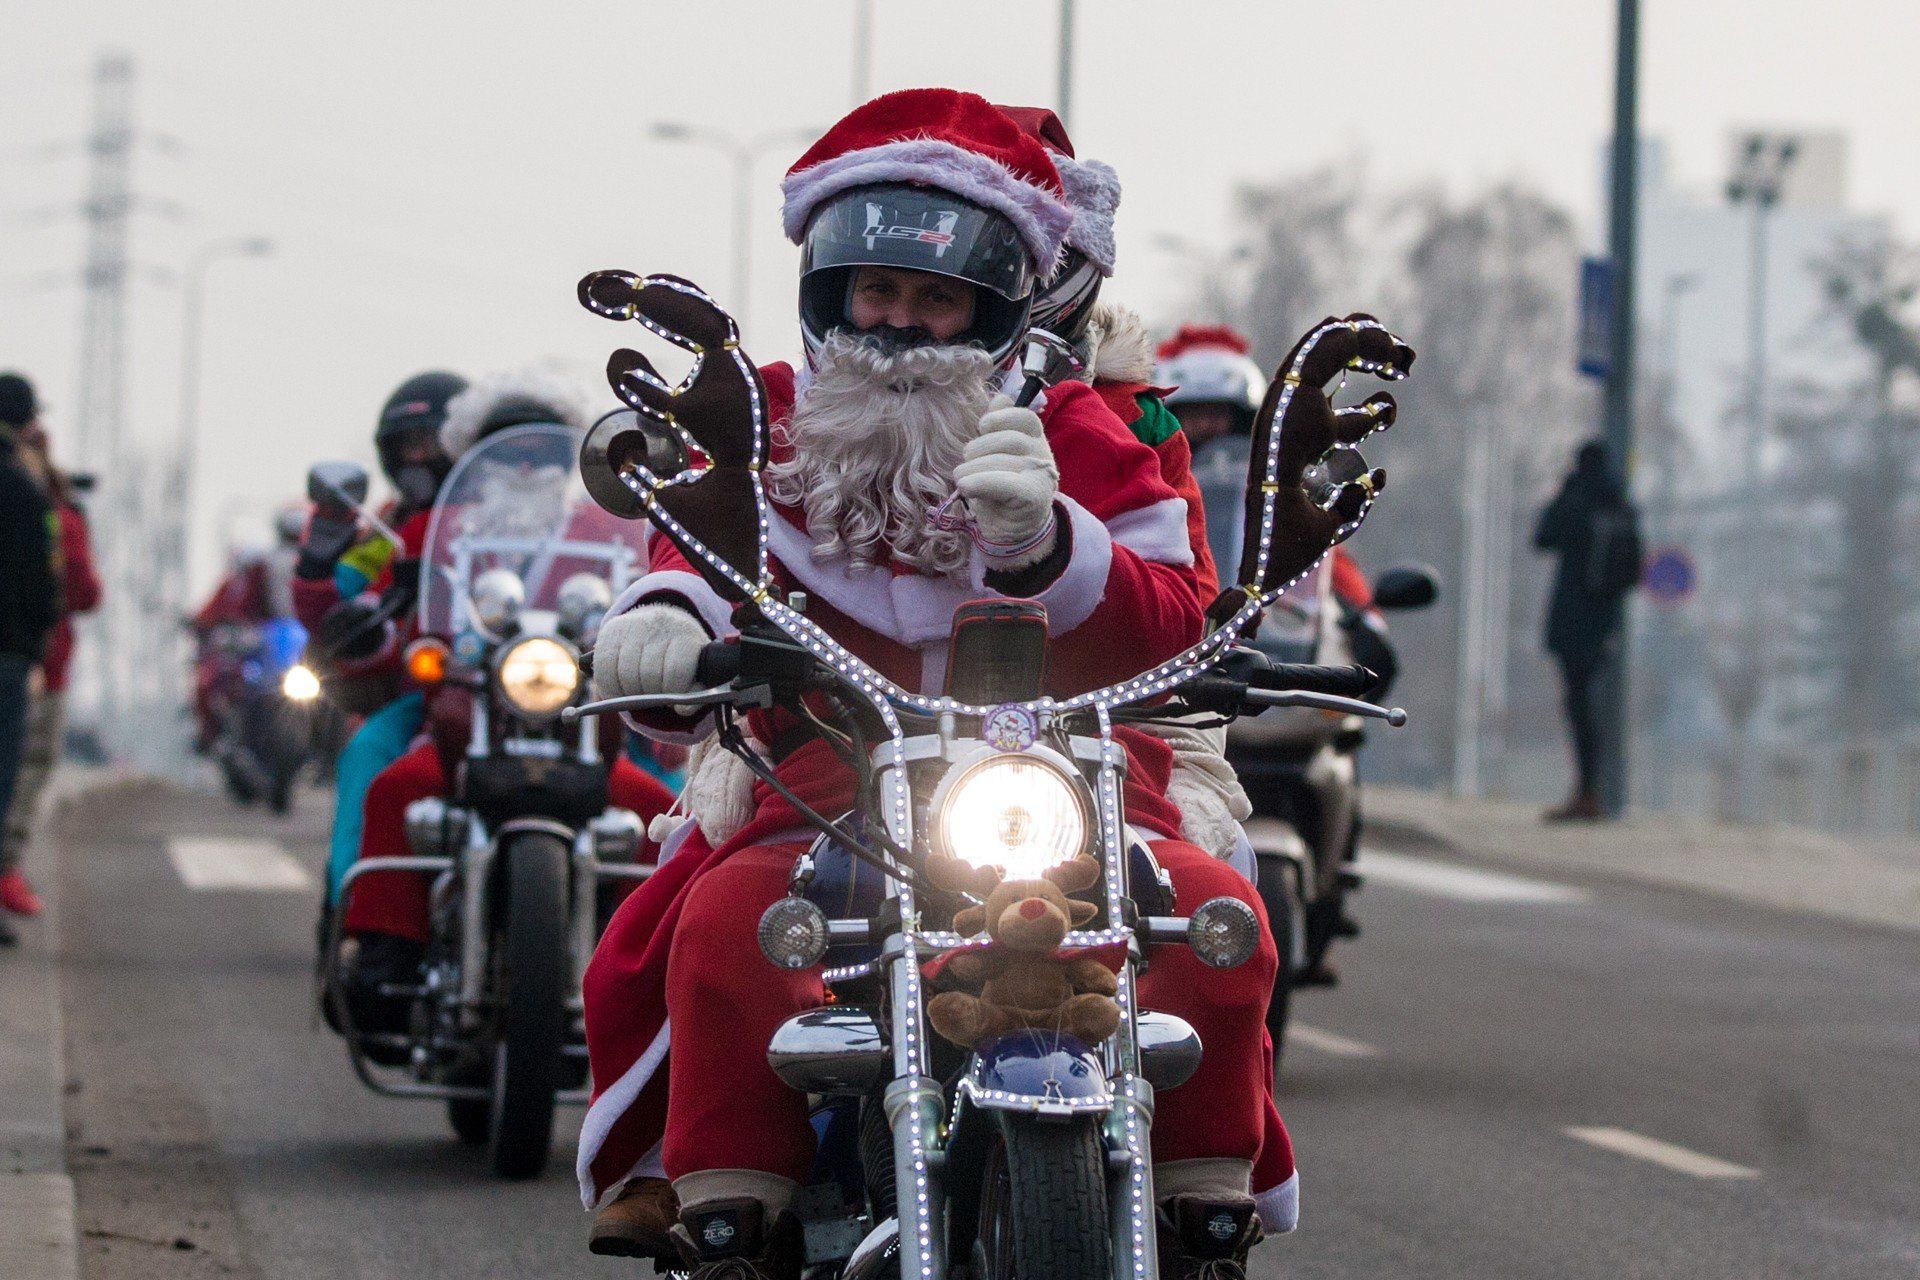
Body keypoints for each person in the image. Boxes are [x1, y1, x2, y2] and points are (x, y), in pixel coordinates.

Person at [579, 90, 1279, 1280]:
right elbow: (692, 554)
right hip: (827, 765)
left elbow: (1176, 611)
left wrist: (1053, 548)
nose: (901, 327)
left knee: (1218, 916)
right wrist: (662, 622)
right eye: (879, 295)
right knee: (722, 923)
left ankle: (1204, 1206)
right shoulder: (764, 422)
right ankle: (730, 1211)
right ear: (832, 296)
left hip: (1075, 765)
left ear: (995, 310)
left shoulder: (1074, 424)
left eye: (937, 298)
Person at [330, 372, 676, 1037]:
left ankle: (647, 975)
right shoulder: (436, 526)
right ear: (471, 455)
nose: (523, 465)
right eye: (503, 448)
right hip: (467, 712)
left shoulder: (607, 529)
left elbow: (657, 585)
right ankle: (383, 953)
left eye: (541, 454)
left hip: (578, 714)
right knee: (394, 787)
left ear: (567, 463)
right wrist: (361, 619)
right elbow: (376, 597)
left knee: (652, 808)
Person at [295, 372, 466, 921]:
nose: (417, 456)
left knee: (652, 772)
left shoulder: (542, 521)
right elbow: (348, 597)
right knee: (367, 753)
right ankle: (355, 917)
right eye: (405, 445)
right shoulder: (396, 529)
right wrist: (325, 553)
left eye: (429, 441)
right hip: (434, 694)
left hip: (535, 695)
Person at [2, 411, 101, 922]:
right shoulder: (53, 512)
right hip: (39, 662)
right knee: (25, 767)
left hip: (29, 657)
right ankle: (6, 870)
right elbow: (84, 591)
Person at [1534, 440, 1641, 821]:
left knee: (1579, 705)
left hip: (1571, 618)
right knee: (1593, 706)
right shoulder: (1622, 506)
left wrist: (1562, 493)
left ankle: (1588, 792)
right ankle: (1595, 791)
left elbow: (1543, 537)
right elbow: (1633, 570)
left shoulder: (1577, 497)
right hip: (1605, 621)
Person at [0, 373, 60, 950]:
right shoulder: (25, 490)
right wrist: (35, 643)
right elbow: (46, 579)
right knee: (2, 776)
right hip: (7, 656)